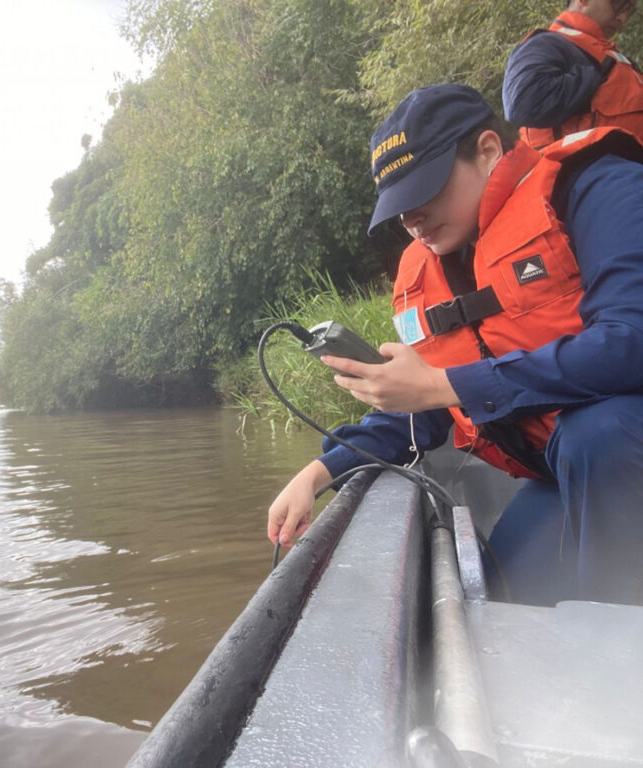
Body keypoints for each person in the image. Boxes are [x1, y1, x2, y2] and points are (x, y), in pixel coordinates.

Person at [267, 83, 643, 607]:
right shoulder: (427, 272)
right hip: (561, 474)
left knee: (596, 433)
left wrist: (445, 384)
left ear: (488, 151)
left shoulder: (596, 185)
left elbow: (632, 341)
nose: (411, 218)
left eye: (425, 189)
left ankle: (620, 659)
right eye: (400, 206)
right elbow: (420, 407)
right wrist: (319, 471)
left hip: (614, 449)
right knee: (502, 590)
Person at [503, 0, 643, 149]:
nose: (623, 18)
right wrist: (593, 75)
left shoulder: (610, 57)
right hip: (586, 167)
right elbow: (523, 103)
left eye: (629, 9)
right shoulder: (547, 44)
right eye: (618, 5)